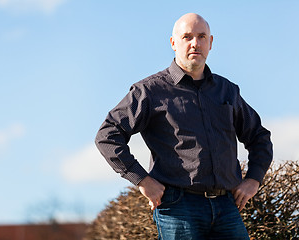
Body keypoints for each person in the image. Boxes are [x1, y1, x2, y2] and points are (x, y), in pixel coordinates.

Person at [95, 13, 273, 240]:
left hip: (228, 207)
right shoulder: (149, 91)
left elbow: (259, 136)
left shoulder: (227, 91)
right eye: (187, 36)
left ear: (210, 43)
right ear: (173, 43)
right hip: (178, 208)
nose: (195, 43)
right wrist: (141, 179)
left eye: (201, 37)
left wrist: (254, 180)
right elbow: (108, 135)